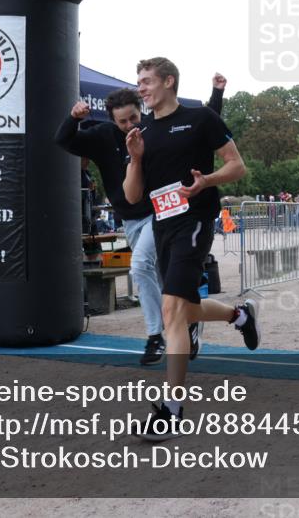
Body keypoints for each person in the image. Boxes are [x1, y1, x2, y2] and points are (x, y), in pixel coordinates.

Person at [122, 57, 255, 439]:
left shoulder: (200, 118)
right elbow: (133, 195)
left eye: (147, 81)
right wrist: (134, 158)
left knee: (170, 311)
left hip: (194, 220)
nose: (142, 88)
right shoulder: (141, 129)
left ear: (169, 81)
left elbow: (237, 166)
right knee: (184, 310)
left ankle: (171, 409)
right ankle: (239, 316)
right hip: (161, 225)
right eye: (139, 82)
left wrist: (206, 181)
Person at [56, 74, 225, 366]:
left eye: (134, 117)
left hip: (160, 213)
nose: (129, 126)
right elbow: (63, 140)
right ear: (111, 121)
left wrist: (217, 94)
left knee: (140, 265)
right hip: (130, 220)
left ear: (141, 111)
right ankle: (190, 323)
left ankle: (154, 335)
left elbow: (201, 128)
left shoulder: (153, 130)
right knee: (164, 283)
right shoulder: (101, 137)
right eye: (122, 122)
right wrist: (73, 118)